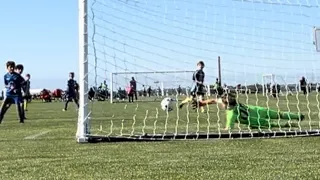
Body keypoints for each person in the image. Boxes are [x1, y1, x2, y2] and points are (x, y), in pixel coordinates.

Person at [193, 93, 304, 130]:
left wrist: (224, 128)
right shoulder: (232, 104)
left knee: (274, 125)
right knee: (280, 114)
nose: (219, 102)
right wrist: (203, 103)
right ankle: (297, 116)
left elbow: (228, 129)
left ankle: (289, 125)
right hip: (259, 110)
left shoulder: (231, 113)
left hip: (256, 121)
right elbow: (213, 100)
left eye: (221, 102)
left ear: (226, 104)